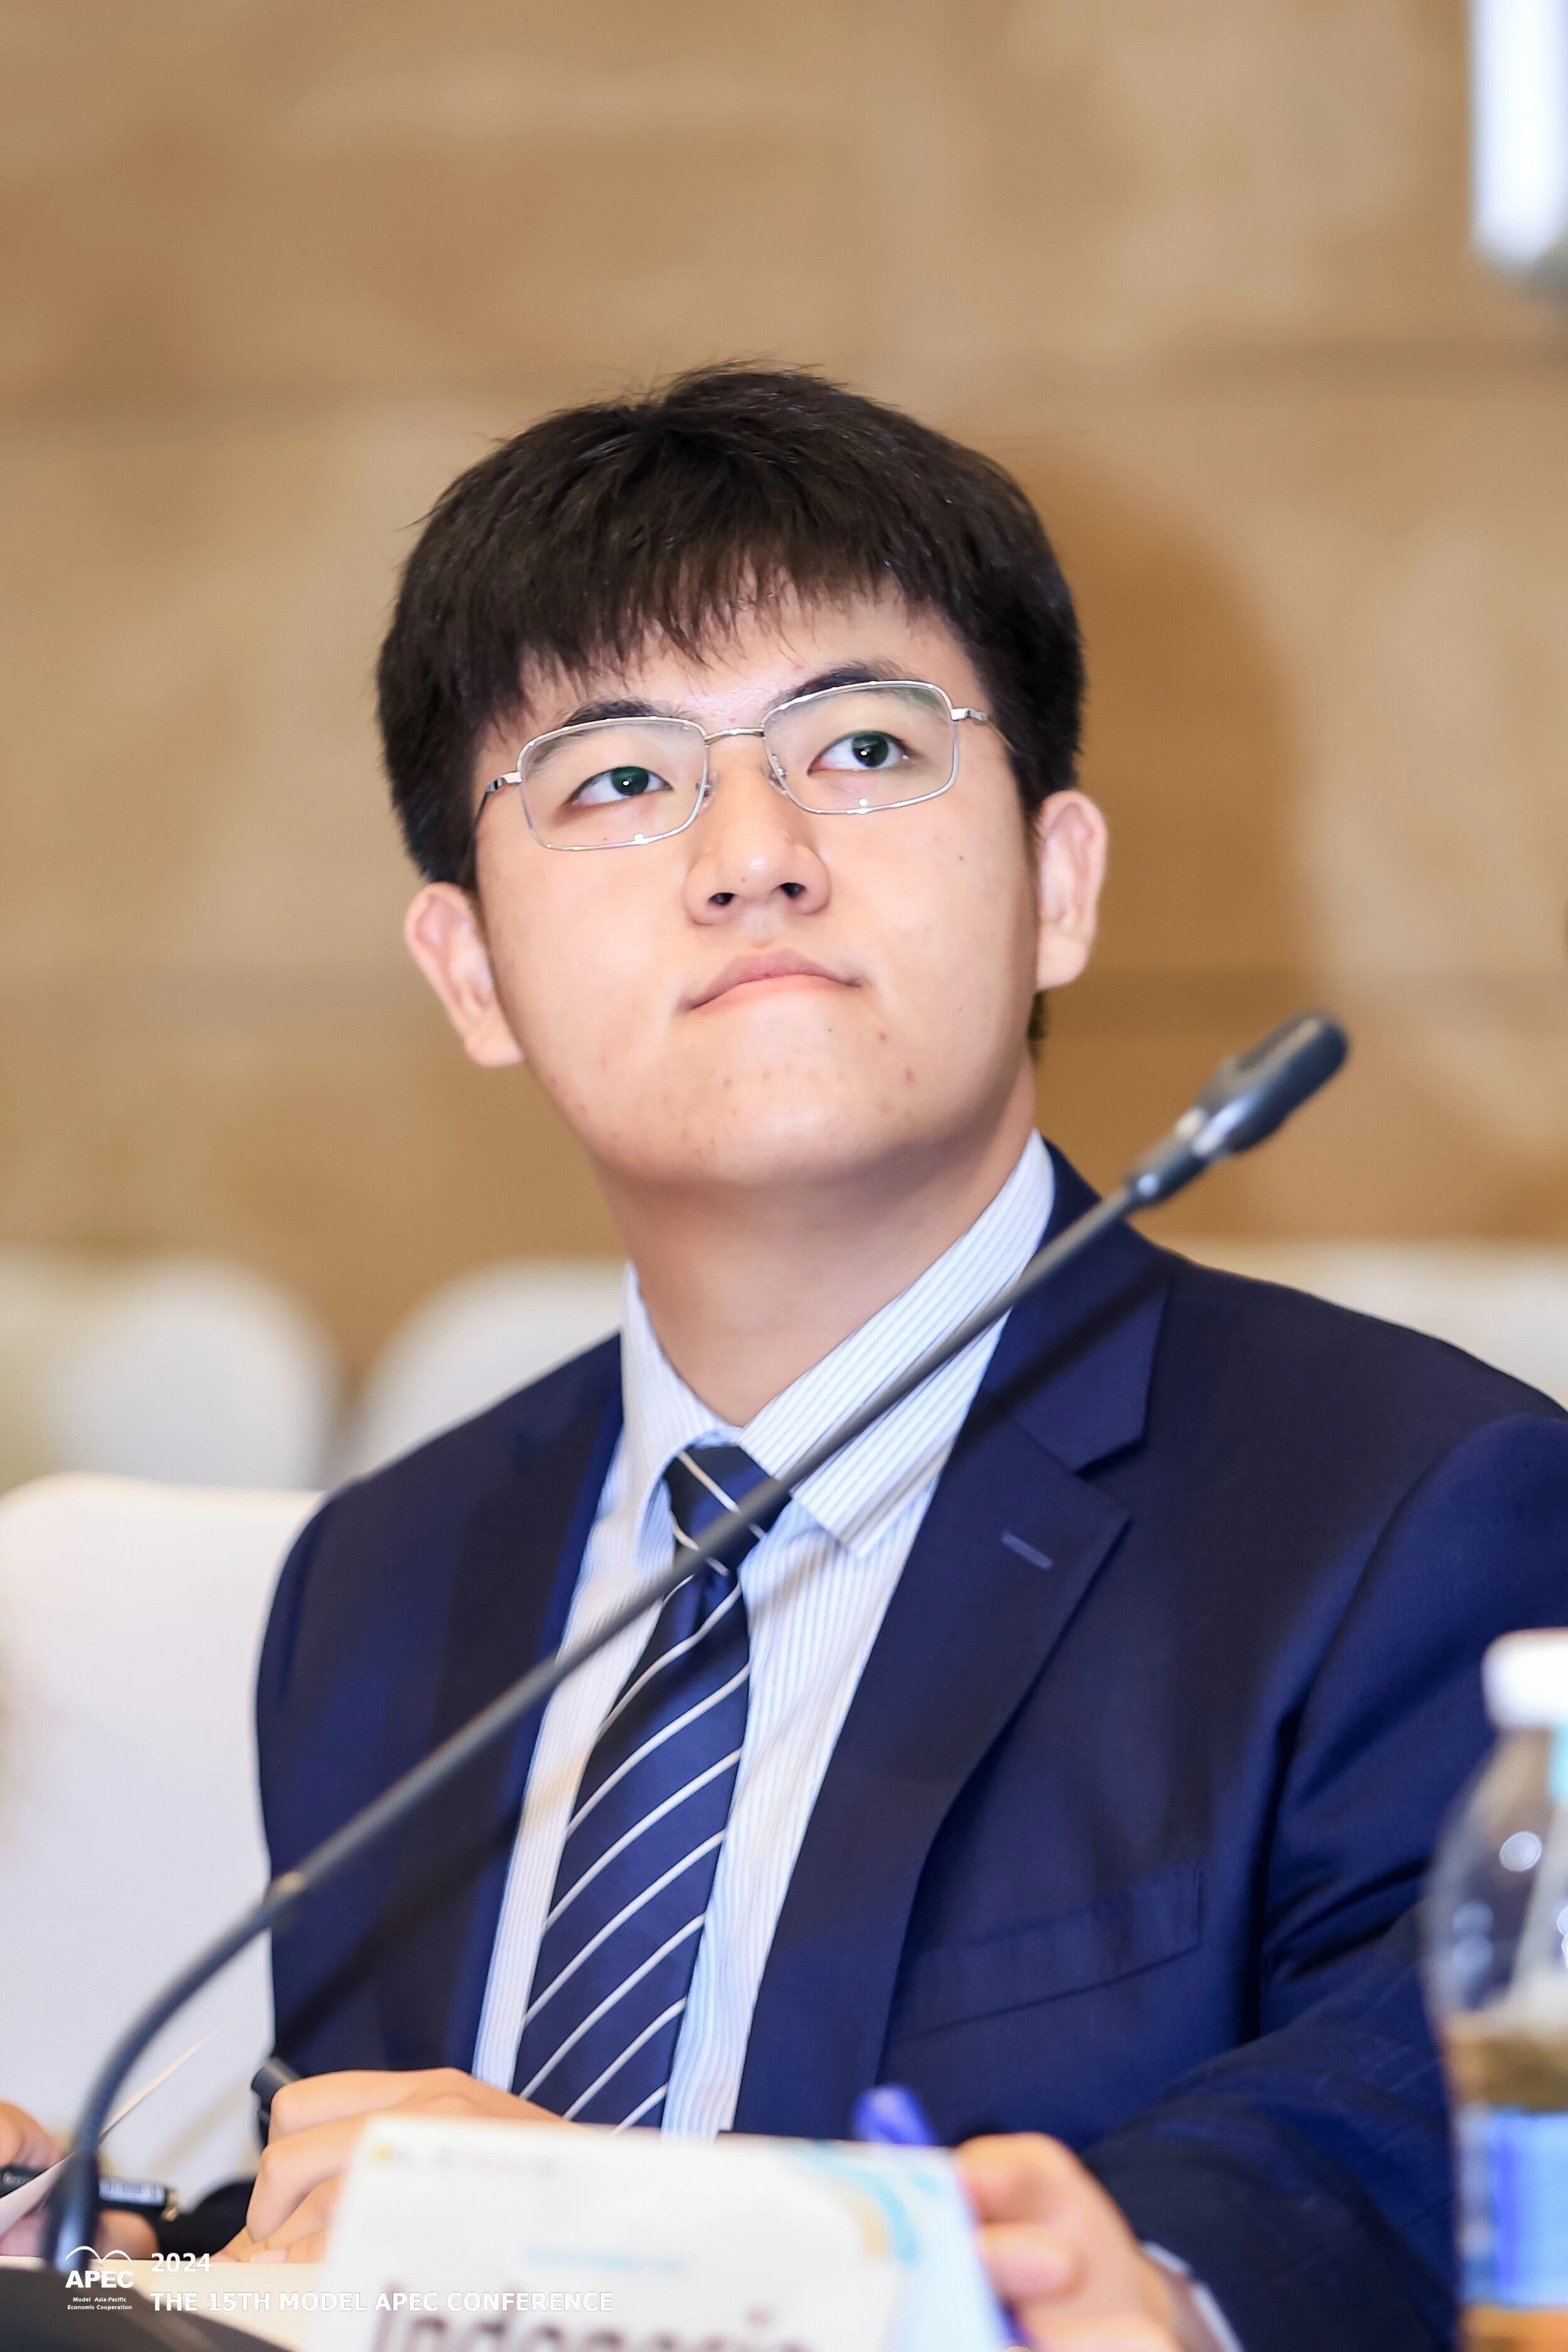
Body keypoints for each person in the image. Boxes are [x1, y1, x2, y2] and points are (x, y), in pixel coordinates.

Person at [6, 369, 1564, 2352]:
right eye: (617, 781)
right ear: (471, 972)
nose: (753, 854)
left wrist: (732, 2246)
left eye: (863, 746)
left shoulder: (1414, 1509)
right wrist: (113, 2244)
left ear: (1060, 884)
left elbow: (1406, 2136)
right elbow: (404, 2218)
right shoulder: (386, 1581)